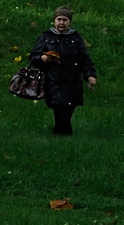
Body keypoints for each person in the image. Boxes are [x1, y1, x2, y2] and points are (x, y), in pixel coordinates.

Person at [30, 7, 97, 135]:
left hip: (72, 79)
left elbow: (84, 58)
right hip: (53, 79)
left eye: (65, 20)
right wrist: (42, 58)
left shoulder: (75, 37)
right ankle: (65, 134)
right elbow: (33, 57)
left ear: (69, 21)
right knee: (59, 106)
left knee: (69, 106)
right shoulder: (46, 36)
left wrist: (90, 75)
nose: (61, 23)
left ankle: (58, 132)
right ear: (54, 21)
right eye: (59, 19)